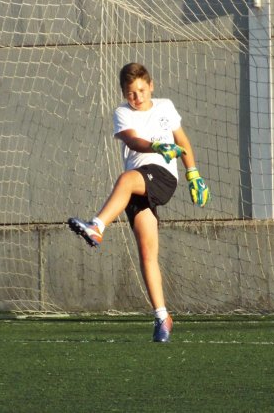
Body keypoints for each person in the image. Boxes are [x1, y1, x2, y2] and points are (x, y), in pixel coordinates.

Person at [68, 62, 209, 343]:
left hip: (162, 176)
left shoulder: (166, 107)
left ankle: (97, 226)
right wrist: (155, 145)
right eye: (131, 93)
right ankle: (162, 317)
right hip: (137, 188)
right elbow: (132, 141)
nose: (138, 97)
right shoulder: (122, 113)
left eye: (142, 90)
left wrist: (194, 175)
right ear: (123, 93)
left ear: (151, 86)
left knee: (126, 178)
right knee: (147, 253)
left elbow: (183, 142)